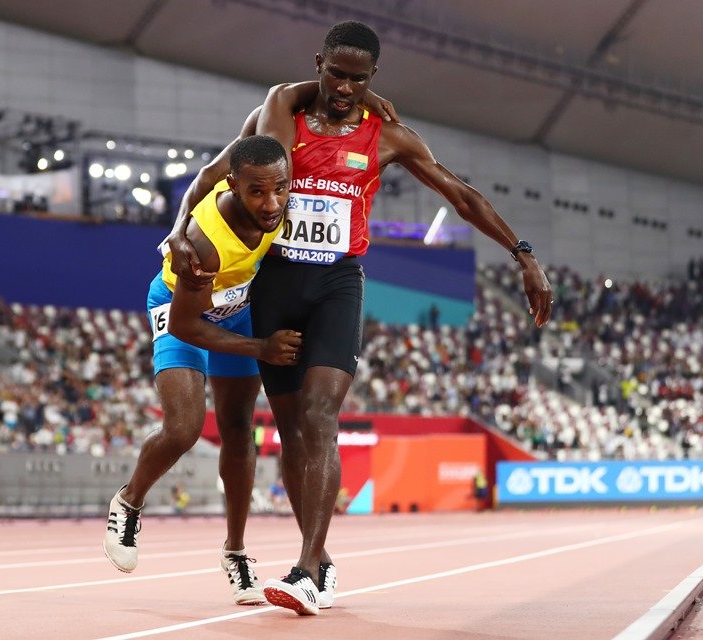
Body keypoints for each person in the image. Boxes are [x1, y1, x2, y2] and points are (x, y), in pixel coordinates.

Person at [167, 21, 553, 616]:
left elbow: (461, 195)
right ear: (319, 64)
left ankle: (304, 566)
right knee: (291, 429)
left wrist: (522, 254)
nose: (345, 88)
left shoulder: (389, 137)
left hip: (337, 282)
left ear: (374, 79)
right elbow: (220, 169)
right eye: (336, 74)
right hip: (276, 280)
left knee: (321, 416)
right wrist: (177, 233)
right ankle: (320, 565)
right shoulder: (282, 115)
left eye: (359, 79)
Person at [102, 135, 301, 607]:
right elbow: (190, 325)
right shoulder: (204, 243)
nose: (271, 203)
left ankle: (235, 551)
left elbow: (275, 103)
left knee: (239, 430)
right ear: (234, 186)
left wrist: (370, 96)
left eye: (280, 189)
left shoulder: (265, 183)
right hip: (181, 308)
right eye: (257, 192)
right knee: (185, 427)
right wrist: (260, 348)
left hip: (236, 305)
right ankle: (129, 500)